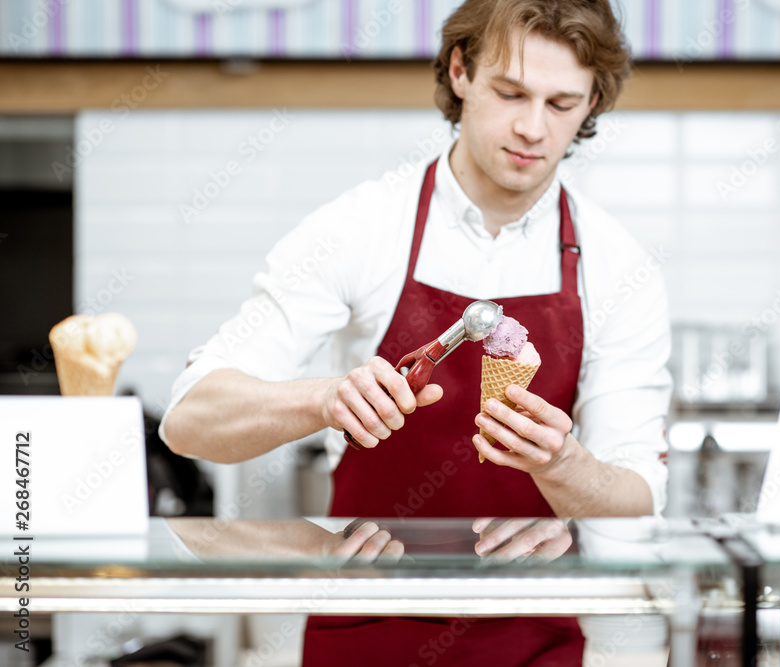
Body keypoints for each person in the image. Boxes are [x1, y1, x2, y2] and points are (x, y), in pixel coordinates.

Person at [161, 0, 672, 663]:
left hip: (535, 634)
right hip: (367, 623)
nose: (531, 128)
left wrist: (564, 465)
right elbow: (189, 418)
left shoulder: (619, 264)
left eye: (561, 103)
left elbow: (637, 499)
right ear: (460, 71)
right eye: (510, 92)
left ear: (593, 102)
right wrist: (322, 400)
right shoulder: (362, 226)